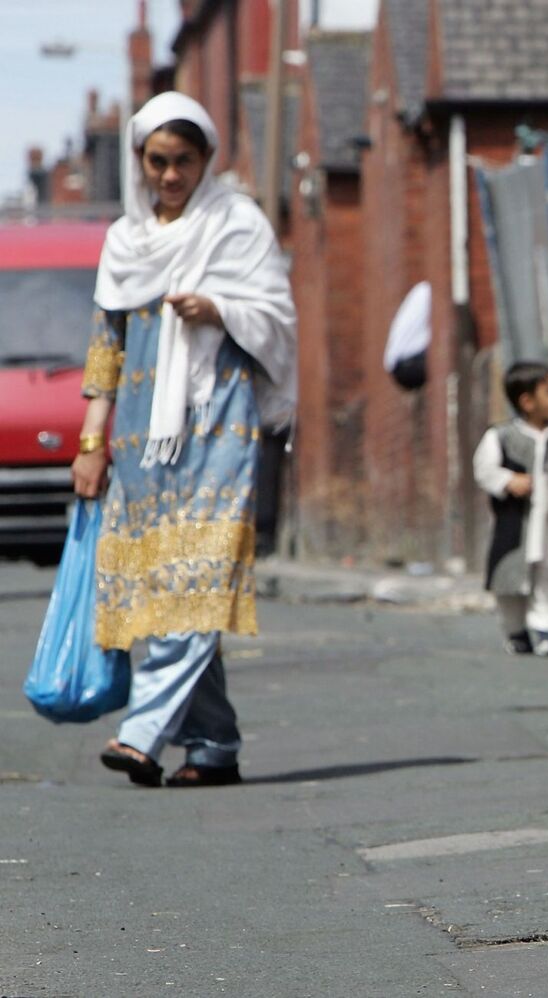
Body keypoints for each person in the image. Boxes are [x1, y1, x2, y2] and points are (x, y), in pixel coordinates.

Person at [72, 92, 297, 789]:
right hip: (142, 436)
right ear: (140, 162)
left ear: (207, 161)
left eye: (185, 162)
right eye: (158, 161)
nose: (171, 176)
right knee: (163, 587)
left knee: (197, 574)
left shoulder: (237, 225)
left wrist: (218, 307)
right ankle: (214, 746)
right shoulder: (124, 241)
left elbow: (278, 318)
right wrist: (91, 439)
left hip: (219, 422)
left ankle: (143, 732)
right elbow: (107, 344)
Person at [473, 361, 548, 657]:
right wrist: (509, 480)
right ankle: (515, 630)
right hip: (518, 524)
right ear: (527, 401)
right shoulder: (502, 435)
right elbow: (484, 470)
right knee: (510, 578)